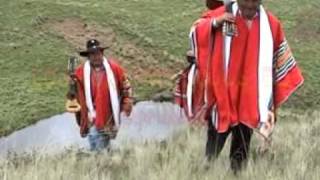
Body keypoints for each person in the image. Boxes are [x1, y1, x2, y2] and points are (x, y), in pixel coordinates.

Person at [186, 0, 304, 173]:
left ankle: (237, 174)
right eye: (245, 5)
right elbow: (196, 30)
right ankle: (205, 172)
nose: (249, 9)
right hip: (222, 95)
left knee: (241, 148)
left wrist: (269, 105)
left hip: (249, 99)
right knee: (214, 144)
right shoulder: (223, 14)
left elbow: (278, 58)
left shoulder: (271, 25)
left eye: (253, 5)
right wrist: (214, 23)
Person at [72, 39, 133, 151]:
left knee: (100, 148)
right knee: (97, 146)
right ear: (88, 56)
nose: (96, 56)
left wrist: (126, 103)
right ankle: (104, 164)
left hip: (107, 117)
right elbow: (74, 91)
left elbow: (126, 87)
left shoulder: (115, 69)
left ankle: (103, 165)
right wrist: (72, 86)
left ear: (102, 53)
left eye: (98, 53)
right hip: (91, 117)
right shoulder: (80, 73)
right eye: (92, 54)